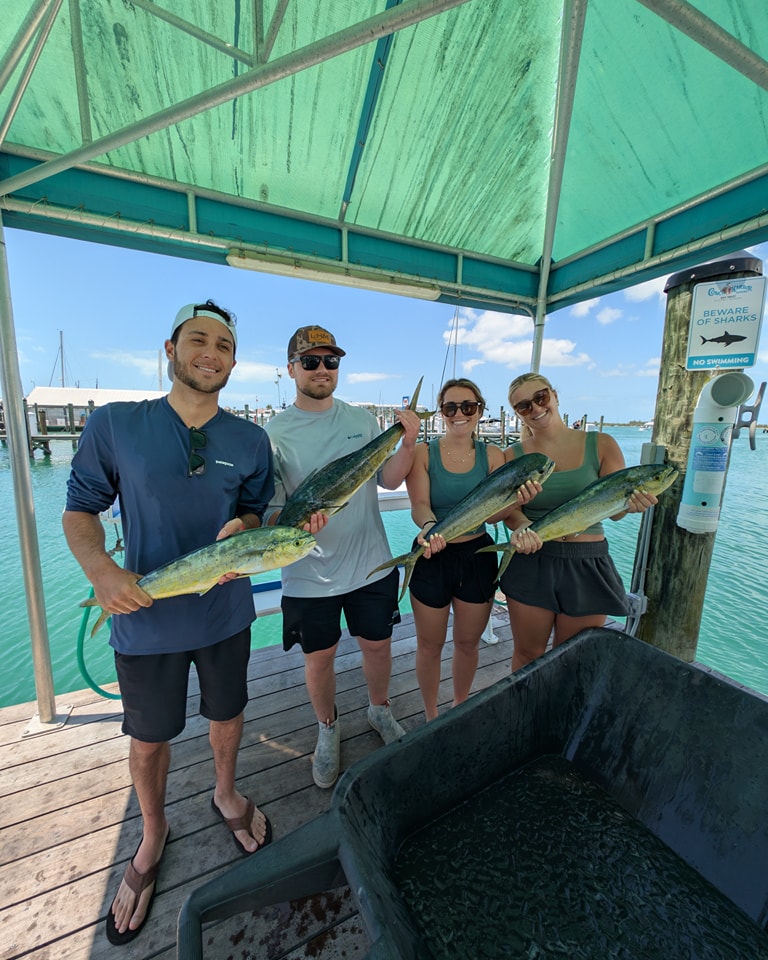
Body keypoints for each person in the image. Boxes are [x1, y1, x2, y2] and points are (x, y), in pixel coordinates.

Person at [62, 301, 274, 946]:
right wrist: (103, 572)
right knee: (148, 737)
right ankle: (153, 831)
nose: (212, 353)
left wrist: (250, 530)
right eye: (198, 340)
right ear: (171, 348)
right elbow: (80, 511)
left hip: (224, 613)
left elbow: (258, 516)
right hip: (144, 617)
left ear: (235, 362)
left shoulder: (251, 439)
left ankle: (226, 794)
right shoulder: (116, 424)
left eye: (225, 345)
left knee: (228, 716)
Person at [264, 325, 421, 789]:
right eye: (310, 362)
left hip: (371, 564)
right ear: (291, 368)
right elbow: (273, 512)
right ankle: (327, 729)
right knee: (320, 658)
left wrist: (408, 441)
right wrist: (293, 524)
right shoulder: (274, 433)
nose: (321, 370)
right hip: (308, 575)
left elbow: (389, 479)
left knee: (378, 644)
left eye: (330, 361)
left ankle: (379, 709)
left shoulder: (362, 421)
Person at [501, 372, 658, 670]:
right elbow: (508, 509)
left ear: (555, 396)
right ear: (517, 414)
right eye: (523, 406)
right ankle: (525, 716)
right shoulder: (513, 455)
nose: (535, 408)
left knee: (573, 659)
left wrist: (632, 505)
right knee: (527, 655)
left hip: (588, 564)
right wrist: (521, 524)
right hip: (533, 559)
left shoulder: (601, 444)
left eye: (540, 397)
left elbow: (616, 511)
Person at [405, 378, 529, 721]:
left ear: (480, 411)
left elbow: (497, 513)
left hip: (478, 557)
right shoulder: (422, 452)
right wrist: (430, 529)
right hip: (431, 554)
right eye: (450, 407)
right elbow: (419, 504)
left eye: (468, 407)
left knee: (467, 643)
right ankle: (431, 716)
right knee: (429, 646)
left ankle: (459, 708)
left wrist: (519, 500)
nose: (459, 414)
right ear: (441, 412)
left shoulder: (493, 455)